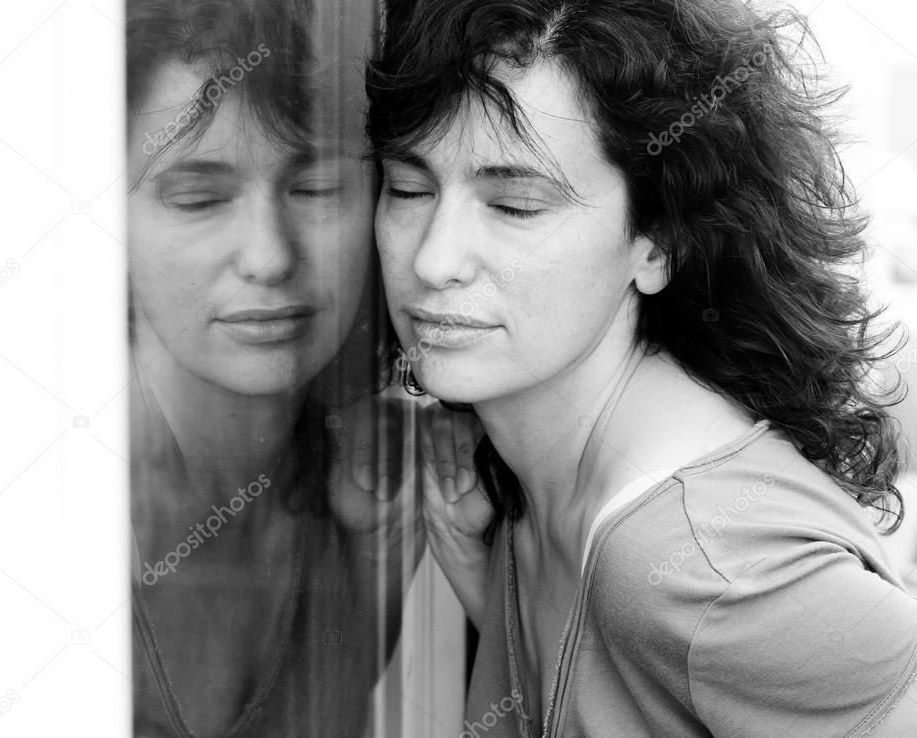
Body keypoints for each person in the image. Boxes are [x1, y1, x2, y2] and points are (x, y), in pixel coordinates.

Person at [368, 0, 917, 735]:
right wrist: (486, 590)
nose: (433, 260)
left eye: (515, 205)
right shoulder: (530, 480)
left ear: (655, 245)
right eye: (408, 189)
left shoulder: (700, 569)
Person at [126, 1, 419, 736]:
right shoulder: (32, 506)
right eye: (198, 198)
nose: (270, 256)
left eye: (317, 189)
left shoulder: (366, 487)